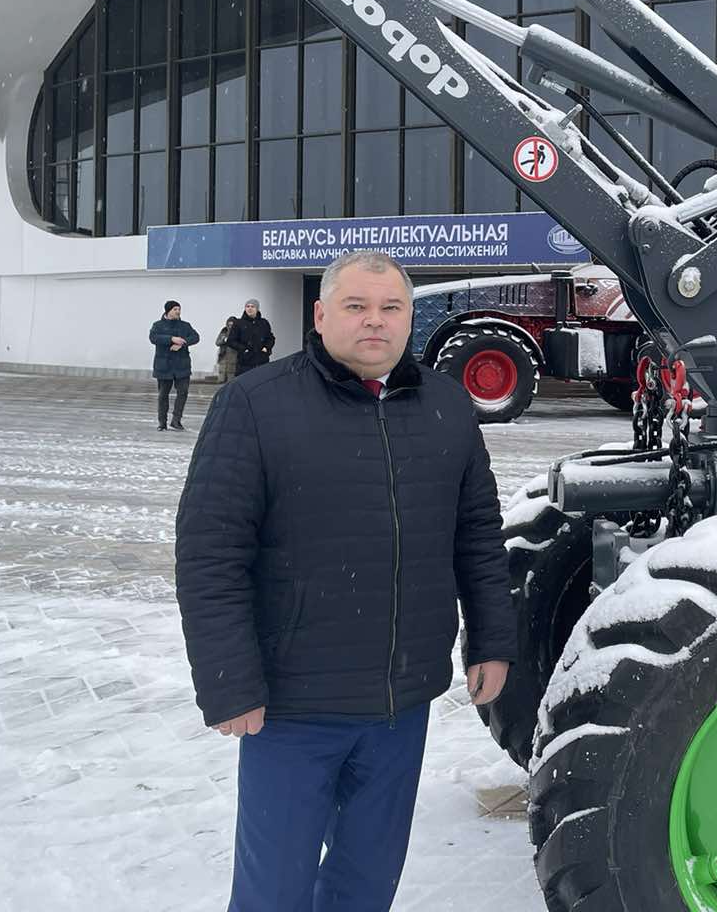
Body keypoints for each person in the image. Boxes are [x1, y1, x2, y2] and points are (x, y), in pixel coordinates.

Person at [175, 250, 515, 911]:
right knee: (274, 891)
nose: (375, 323)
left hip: (400, 705)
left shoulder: (447, 407)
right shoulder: (256, 406)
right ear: (322, 314)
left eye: (391, 309)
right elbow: (209, 554)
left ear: (410, 319)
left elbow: (477, 534)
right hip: (293, 710)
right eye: (356, 307)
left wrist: (491, 642)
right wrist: (228, 681)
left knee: (365, 884)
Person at [149, 300, 200, 431]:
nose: (177, 311)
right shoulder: (158, 325)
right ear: (168, 311)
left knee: (183, 392)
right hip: (164, 365)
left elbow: (195, 337)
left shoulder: (185, 325)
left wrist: (182, 343)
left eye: (179, 309)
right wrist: (171, 339)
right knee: (163, 395)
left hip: (182, 365)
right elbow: (153, 338)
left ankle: (176, 420)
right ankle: (162, 422)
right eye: (175, 309)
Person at [227, 298, 275, 376]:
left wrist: (266, 348)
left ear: (257, 309)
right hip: (245, 362)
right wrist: (243, 349)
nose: (250, 308)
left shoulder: (264, 323)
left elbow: (270, 338)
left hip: (261, 360)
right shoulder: (238, 323)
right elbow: (231, 341)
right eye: (247, 306)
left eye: (252, 306)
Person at [214, 316, 239, 384]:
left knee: (231, 372)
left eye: (232, 325)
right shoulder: (224, 331)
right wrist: (224, 339)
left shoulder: (238, 332)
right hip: (223, 355)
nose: (230, 326)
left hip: (234, 355)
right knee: (222, 371)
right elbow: (217, 342)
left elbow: (240, 344)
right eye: (229, 324)